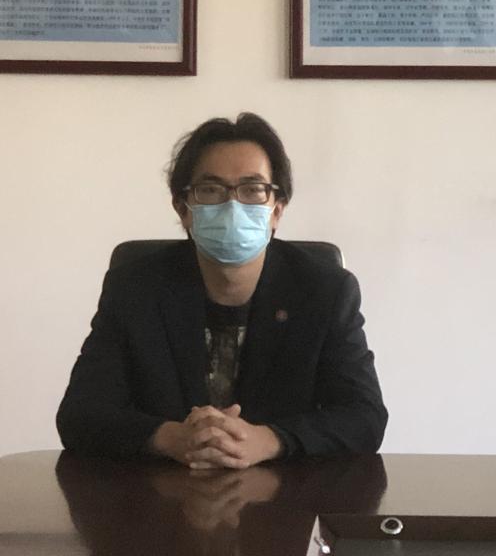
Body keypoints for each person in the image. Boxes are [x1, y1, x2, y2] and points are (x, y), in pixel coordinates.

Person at [57, 113, 388, 468]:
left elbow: (364, 418)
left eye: (252, 189)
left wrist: (271, 439)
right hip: (162, 489)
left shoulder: (325, 291)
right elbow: (80, 414)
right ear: (184, 209)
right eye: (211, 190)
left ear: (277, 210)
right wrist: (170, 437)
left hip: (284, 491)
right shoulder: (135, 288)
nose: (233, 206)